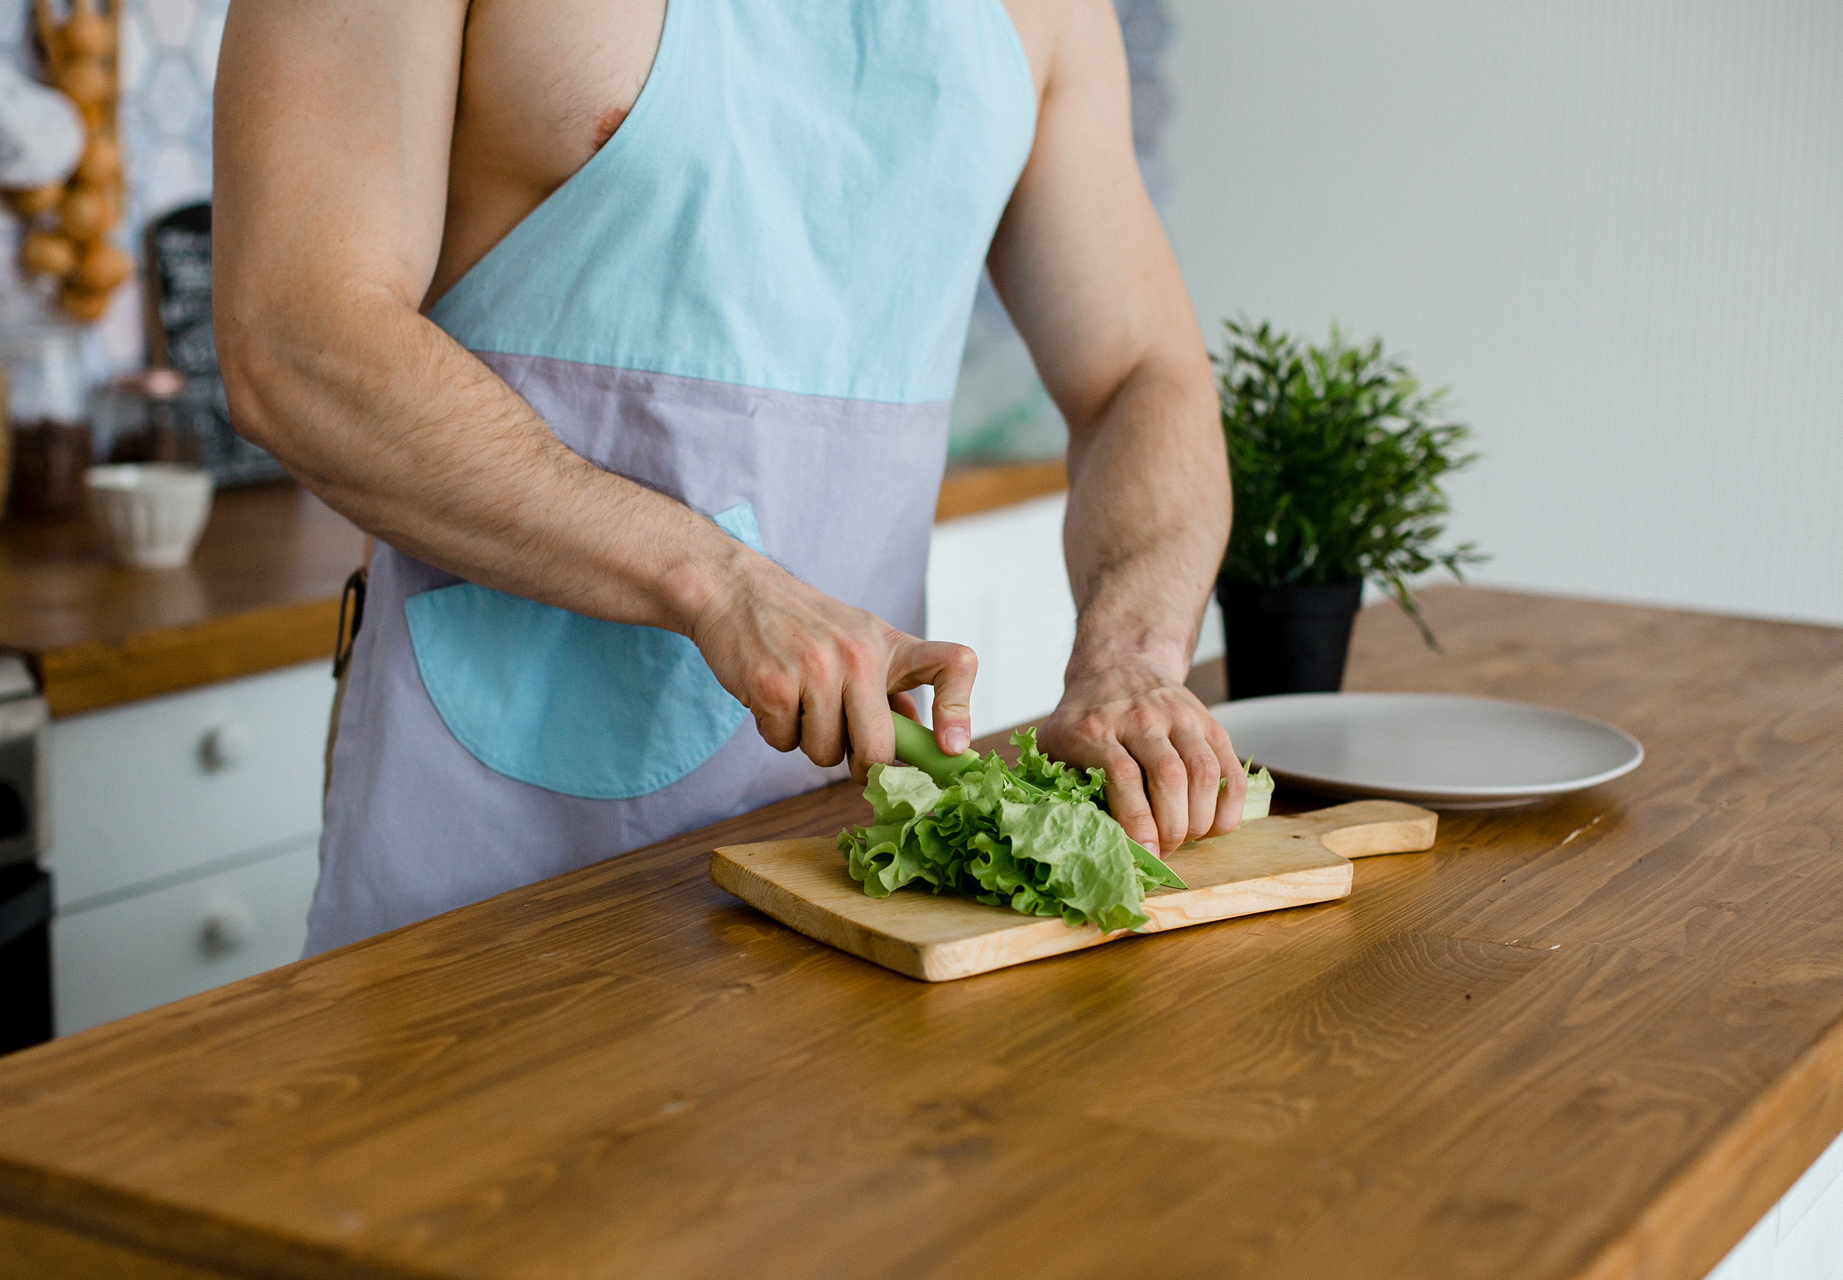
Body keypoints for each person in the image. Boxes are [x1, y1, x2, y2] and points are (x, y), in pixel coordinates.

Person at [212, 0, 1246, 954]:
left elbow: (1139, 376)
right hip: (486, 883)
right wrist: (717, 577)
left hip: (851, 883)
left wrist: (1133, 657)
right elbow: (296, 338)